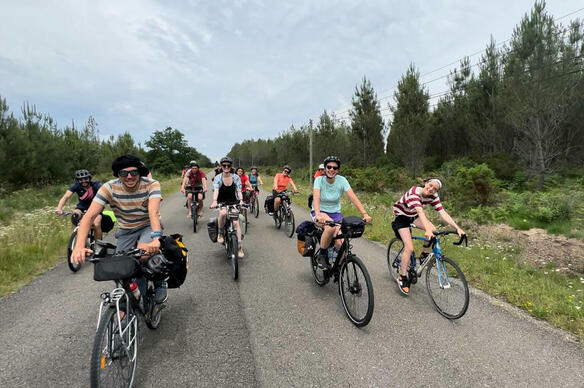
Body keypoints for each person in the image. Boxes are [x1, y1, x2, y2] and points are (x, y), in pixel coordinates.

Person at [70, 155, 167, 303]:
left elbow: (153, 212)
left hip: (147, 225)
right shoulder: (109, 187)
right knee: (121, 267)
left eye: (134, 172)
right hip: (126, 229)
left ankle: (160, 281)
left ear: (139, 172)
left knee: (142, 255)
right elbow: (88, 217)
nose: (129, 176)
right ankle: (127, 304)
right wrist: (78, 246)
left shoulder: (152, 184)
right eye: (124, 173)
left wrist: (156, 238)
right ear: (118, 175)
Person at [392, 177, 465, 295]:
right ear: (426, 183)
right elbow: (420, 212)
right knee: (409, 248)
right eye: (430, 185)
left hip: (414, 216)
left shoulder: (433, 196)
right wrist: (426, 229)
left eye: (435, 189)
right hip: (402, 217)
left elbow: (442, 212)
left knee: (434, 230)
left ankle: (424, 254)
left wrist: (457, 228)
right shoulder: (414, 192)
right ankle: (402, 277)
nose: (431, 189)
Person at [312, 156, 372, 270]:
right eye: (329, 167)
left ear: (338, 170)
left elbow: (352, 197)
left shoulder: (342, 180)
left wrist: (364, 213)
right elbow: (316, 197)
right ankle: (322, 255)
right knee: (330, 228)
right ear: (324, 168)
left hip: (336, 214)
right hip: (321, 211)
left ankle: (338, 269)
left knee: (342, 244)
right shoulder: (319, 180)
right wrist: (318, 214)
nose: (332, 169)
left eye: (335, 168)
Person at [211, 157, 245, 258]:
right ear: (221, 167)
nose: (226, 167)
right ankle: (220, 233)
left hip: (233, 201)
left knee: (236, 222)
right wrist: (214, 201)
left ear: (231, 167)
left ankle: (239, 247)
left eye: (228, 165)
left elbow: (239, 191)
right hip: (221, 201)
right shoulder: (218, 178)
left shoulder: (236, 177)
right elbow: (216, 190)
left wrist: (241, 200)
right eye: (224, 165)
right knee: (223, 213)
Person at [55, 169, 103, 240]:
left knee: (96, 223)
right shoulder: (76, 185)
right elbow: (66, 196)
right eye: (81, 179)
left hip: (95, 208)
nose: (83, 181)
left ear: (89, 178)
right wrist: (59, 208)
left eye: (86, 178)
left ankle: (98, 245)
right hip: (81, 207)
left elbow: (105, 194)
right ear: (77, 180)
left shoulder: (96, 185)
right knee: (76, 215)